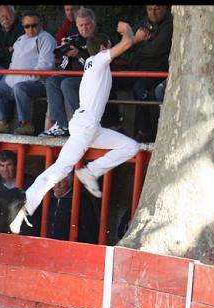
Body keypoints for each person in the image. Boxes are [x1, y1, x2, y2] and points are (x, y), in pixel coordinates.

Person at [10, 22, 141, 235]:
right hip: (87, 124)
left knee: (131, 147)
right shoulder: (99, 60)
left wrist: (135, 37)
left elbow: (127, 44)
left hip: (91, 126)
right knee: (59, 170)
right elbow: (127, 42)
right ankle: (23, 210)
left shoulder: (93, 62)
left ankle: (91, 172)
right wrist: (126, 28)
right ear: (104, 48)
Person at [0, 10, 56, 136]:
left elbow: (47, 64)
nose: (31, 29)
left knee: (19, 88)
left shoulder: (46, 38)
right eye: (27, 26)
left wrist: (32, 73)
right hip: (14, 81)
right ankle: (2, 122)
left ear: (41, 24)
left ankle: (26, 124)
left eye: (34, 25)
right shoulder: (20, 39)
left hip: (38, 82)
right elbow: (14, 63)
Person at [112, 5, 173, 142]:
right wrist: (137, 42)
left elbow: (154, 50)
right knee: (110, 81)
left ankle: (143, 131)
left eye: (157, 9)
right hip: (136, 68)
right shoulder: (144, 22)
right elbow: (125, 46)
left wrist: (136, 44)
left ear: (164, 8)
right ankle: (113, 125)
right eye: (150, 9)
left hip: (156, 70)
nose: (153, 13)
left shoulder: (170, 25)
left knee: (140, 89)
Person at [41, 7, 99, 137]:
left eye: (88, 24)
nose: (84, 28)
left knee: (67, 83)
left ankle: (80, 124)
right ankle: (60, 125)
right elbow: (64, 66)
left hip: (95, 79)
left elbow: (96, 66)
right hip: (76, 77)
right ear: (77, 25)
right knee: (53, 80)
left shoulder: (101, 39)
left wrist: (79, 54)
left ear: (94, 23)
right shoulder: (75, 38)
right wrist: (65, 54)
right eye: (81, 25)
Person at [0, 150, 41, 236]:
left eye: (9, 165)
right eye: (2, 165)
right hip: (3, 231)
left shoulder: (29, 182)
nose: (5, 169)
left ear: (16, 166)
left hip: (26, 230)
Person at [47, 172, 98, 243]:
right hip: (48, 244)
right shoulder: (47, 198)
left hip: (71, 246)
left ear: (69, 182)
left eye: (61, 181)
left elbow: (90, 226)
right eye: (55, 181)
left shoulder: (81, 199)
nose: (57, 185)